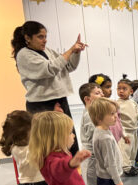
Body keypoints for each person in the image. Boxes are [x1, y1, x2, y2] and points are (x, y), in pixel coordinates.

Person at [12, 21, 86, 155]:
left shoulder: (47, 50)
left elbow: (68, 66)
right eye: (40, 37)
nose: (44, 40)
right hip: (42, 104)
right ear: (28, 38)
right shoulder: (24, 54)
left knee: (69, 140)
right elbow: (50, 69)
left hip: (59, 99)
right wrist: (70, 50)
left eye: (45, 37)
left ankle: (72, 171)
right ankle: (54, 174)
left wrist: (75, 52)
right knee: (52, 146)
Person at [88, 98, 130, 185]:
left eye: (116, 113)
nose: (115, 117)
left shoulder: (102, 130)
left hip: (106, 177)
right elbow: (110, 163)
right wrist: (117, 180)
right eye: (112, 114)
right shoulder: (104, 137)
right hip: (109, 178)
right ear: (99, 117)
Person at [79, 83, 104, 185]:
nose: (102, 95)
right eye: (98, 93)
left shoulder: (93, 111)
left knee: (96, 182)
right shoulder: (89, 115)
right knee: (91, 183)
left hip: (95, 154)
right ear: (87, 99)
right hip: (90, 156)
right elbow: (96, 135)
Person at [116, 76, 138, 176]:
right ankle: (126, 167)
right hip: (124, 132)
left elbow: (135, 113)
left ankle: (131, 165)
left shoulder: (133, 103)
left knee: (133, 150)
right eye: (119, 88)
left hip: (134, 131)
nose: (121, 91)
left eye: (124, 89)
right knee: (125, 150)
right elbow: (116, 119)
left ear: (131, 91)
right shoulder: (116, 104)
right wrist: (122, 133)